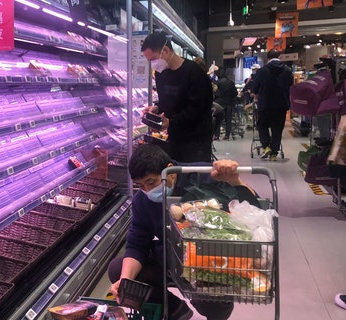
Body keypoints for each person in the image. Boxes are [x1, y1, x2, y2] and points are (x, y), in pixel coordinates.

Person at [108, 144, 259, 320]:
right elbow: (137, 243)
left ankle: (213, 309)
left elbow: (253, 210)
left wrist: (235, 181)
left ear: (170, 171)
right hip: (170, 259)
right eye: (141, 186)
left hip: (208, 261)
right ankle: (174, 309)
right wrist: (126, 281)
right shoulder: (142, 201)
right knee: (118, 269)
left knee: (214, 308)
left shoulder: (204, 176)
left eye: (151, 182)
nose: (148, 191)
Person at [141, 32, 214, 163]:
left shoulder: (194, 72)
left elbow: (197, 109)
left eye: (152, 59)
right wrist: (156, 108)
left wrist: (171, 122)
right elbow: (167, 102)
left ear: (166, 50)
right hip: (175, 137)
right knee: (176, 177)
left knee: (196, 179)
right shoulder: (161, 74)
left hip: (196, 139)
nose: (153, 64)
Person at [251, 49, 293, 161]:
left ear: (268, 58)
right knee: (277, 129)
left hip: (265, 105)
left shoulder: (261, 71)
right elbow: (290, 86)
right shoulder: (287, 70)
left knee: (262, 126)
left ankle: (266, 147)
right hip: (281, 105)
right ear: (279, 57)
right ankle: (274, 154)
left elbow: (255, 89)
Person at [214, 67, 239, 141]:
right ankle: (227, 136)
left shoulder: (217, 82)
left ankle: (216, 135)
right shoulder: (231, 82)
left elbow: (214, 92)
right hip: (229, 103)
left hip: (219, 103)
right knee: (228, 120)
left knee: (217, 119)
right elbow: (235, 93)